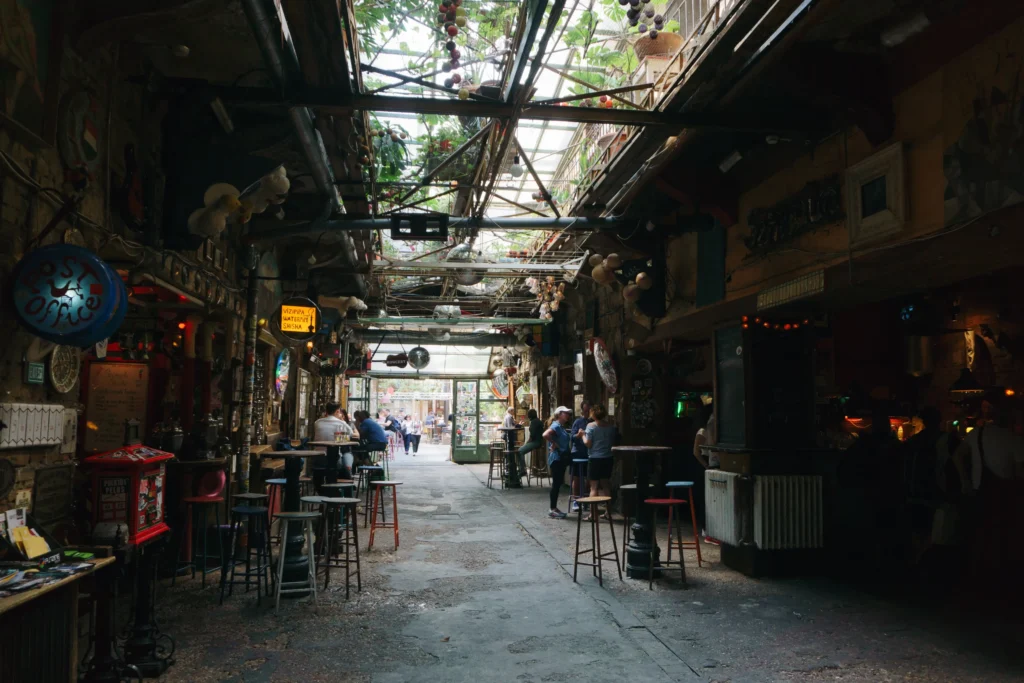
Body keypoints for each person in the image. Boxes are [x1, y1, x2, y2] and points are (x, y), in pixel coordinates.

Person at [952, 401, 1024, 585]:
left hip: (979, 493)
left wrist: (965, 482)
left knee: (980, 537)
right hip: (1004, 498)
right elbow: (1019, 474)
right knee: (1002, 539)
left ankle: (978, 578)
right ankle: (1000, 579)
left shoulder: (978, 434)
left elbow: (958, 456)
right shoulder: (1014, 439)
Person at [582, 404, 616, 513]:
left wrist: (582, 435)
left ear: (593, 414)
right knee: (606, 485)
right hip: (608, 458)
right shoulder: (611, 427)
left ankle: (593, 513)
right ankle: (608, 512)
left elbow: (588, 444)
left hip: (595, 459)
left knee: (594, 487)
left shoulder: (591, 426)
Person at [543, 406, 573, 519]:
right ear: (559, 414)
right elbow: (545, 434)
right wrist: (554, 443)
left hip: (560, 458)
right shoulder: (556, 425)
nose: (568, 415)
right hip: (557, 459)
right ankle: (552, 508)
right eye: (565, 413)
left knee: (558, 483)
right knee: (556, 484)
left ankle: (554, 508)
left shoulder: (561, 427)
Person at [312, 402, 355, 475]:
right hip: (334, 459)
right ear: (337, 411)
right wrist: (342, 422)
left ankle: (319, 485)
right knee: (344, 461)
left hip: (317, 458)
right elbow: (348, 436)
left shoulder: (317, 422)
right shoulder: (341, 423)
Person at [569, 401, 591, 513]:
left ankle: (586, 499)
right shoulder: (578, 421)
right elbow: (572, 437)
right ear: (582, 411)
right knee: (577, 477)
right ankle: (576, 500)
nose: (587, 413)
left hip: (590, 454)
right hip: (578, 453)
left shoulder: (594, 422)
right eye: (585, 411)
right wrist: (578, 435)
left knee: (590, 478)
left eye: (589, 411)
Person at [517, 409, 544, 476]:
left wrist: (526, 443)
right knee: (520, 449)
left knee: (519, 451)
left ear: (529, 416)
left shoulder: (533, 422)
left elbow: (532, 436)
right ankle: (522, 469)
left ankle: (522, 470)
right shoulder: (538, 421)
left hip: (536, 442)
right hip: (539, 441)